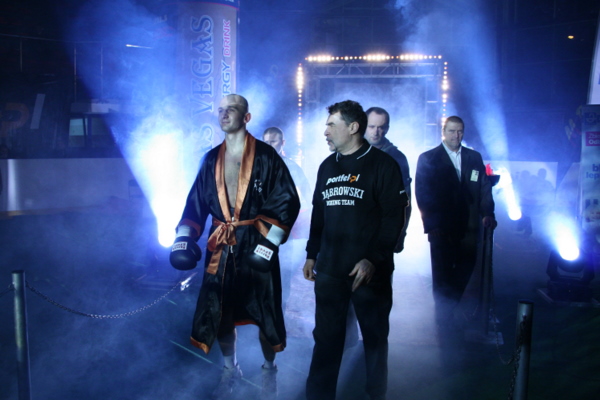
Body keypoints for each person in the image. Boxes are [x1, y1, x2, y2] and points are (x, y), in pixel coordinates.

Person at [170, 94, 300, 400]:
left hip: (256, 242)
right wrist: (185, 237)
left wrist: (269, 242)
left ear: (247, 117)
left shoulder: (266, 156)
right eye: (221, 110)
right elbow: (195, 202)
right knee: (221, 311)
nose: (224, 114)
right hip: (221, 245)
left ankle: (269, 371)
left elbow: (287, 200)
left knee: (266, 310)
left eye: (232, 109)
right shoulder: (210, 159)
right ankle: (230, 369)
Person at [303, 100, 408, 400]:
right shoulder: (327, 166)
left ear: (353, 127)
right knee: (326, 340)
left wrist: (373, 259)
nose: (325, 131)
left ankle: (376, 394)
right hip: (330, 270)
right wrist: (312, 253)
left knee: (374, 339)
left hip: (369, 273)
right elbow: (318, 214)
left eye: (331, 125)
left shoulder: (383, 165)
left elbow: (394, 217)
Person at [415, 115, 496, 332]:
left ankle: (449, 307)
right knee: (441, 273)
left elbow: (484, 187)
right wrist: (431, 224)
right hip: (440, 227)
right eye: (451, 131)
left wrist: (487, 212)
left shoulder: (474, 157)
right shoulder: (428, 158)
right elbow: (422, 193)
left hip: (469, 226)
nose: (456, 135)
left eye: (459, 131)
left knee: (466, 267)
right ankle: (443, 315)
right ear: (443, 132)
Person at [262, 127, 312, 310]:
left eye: (273, 141)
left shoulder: (292, 168)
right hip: (258, 229)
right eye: (266, 142)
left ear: (282, 143)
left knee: (282, 273)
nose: (269, 146)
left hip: (283, 231)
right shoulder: (255, 166)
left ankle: (279, 310)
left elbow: (307, 196)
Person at [364, 107, 412, 252]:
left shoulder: (397, 158)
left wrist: (401, 233)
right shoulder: (349, 153)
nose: (375, 132)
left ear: (387, 129)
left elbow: (405, 200)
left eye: (380, 127)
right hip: (351, 232)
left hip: (382, 231)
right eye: (371, 126)